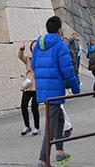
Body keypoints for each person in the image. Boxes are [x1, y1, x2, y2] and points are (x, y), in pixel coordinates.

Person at [32, 15, 80, 167]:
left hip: (43, 89)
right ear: (59, 29)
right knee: (51, 124)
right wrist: (75, 87)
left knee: (59, 119)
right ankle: (43, 158)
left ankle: (59, 151)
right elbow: (67, 70)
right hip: (55, 90)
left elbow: (34, 66)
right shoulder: (60, 46)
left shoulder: (38, 46)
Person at [17, 40, 40, 136]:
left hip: (37, 85)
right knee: (23, 106)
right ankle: (27, 126)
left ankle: (36, 127)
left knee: (35, 107)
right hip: (28, 85)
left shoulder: (42, 58)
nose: (34, 47)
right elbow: (20, 57)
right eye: (33, 45)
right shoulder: (28, 58)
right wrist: (21, 49)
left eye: (36, 45)